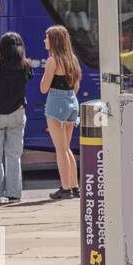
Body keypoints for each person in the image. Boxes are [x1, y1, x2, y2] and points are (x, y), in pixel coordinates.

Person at [0, 32, 31, 204]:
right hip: (17, 114)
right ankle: (14, 194)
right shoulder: (25, 65)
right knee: (14, 155)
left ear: (1, 48)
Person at [40, 25, 81, 200]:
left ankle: (65, 188)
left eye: (47, 37)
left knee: (60, 149)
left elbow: (43, 88)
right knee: (67, 148)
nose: (44, 40)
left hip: (56, 104)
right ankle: (74, 186)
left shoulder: (52, 60)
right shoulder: (73, 59)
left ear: (54, 41)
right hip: (72, 102)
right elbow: (76, 86)